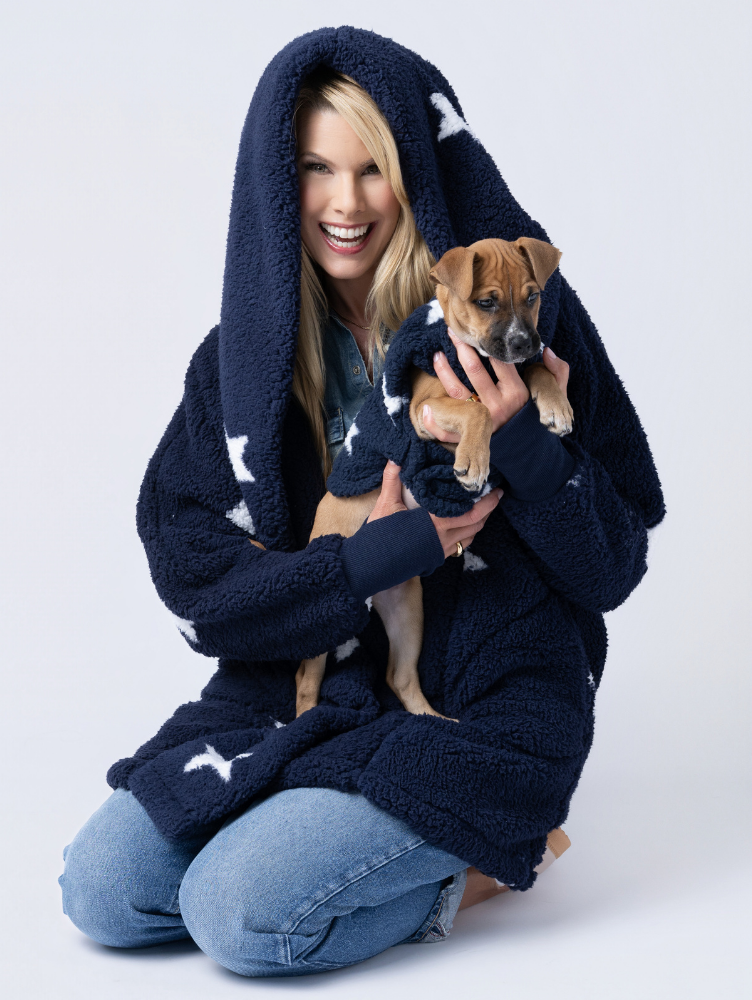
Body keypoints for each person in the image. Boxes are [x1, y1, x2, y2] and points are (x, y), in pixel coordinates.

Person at [59, 28, 664, 977]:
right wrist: (365, 560)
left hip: (482, 694)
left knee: (240, 917)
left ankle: (485, 855)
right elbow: (192, 574)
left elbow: (616, 563)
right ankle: (317, 807)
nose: (345, 203)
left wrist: (526, 450)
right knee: (102, 890)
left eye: (373, 169)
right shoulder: (243, 361)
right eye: (314, 167)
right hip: (308, 684)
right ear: (273, 179)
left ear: (414, 172)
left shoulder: (520, 312)